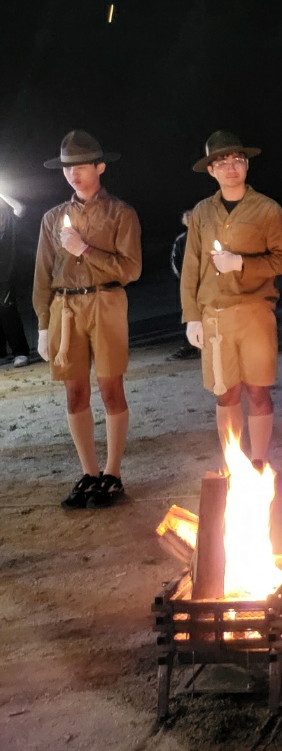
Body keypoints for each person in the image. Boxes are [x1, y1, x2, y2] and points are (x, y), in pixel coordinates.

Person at [32, 130, 142, 506]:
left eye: (81, 166)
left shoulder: (121, 213)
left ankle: (113, 473)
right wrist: (43, 325)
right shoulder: (52, 218)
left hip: (107, 302)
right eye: (67, 168)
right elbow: (42, 274)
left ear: (100, 167)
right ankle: (89, 473)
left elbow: (131, 269)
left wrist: (85, 250)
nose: (73, 174)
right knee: (75, 392)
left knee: (111, 389)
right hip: (65, 308)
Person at [180, 131, 282, 463]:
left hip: (255, 311)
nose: (231, 168)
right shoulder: (202, 213)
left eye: (237, 160)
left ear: (246, 165)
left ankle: (258, 462)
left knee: (257, 390)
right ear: (211, 170)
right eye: (222, 162)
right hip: (215, 315)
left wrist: (242, 263)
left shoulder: (267, 209)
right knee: (225, 392)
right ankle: (234, 464)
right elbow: (191, 267)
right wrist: (192, 317)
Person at [0, 191, 31, 366]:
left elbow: (20, 208)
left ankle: (20, 352)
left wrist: (1, 191)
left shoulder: (11, 225)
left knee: (7, 311)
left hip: (7, 275)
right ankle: (1, 354)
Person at [168, 209, 196, 360]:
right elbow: (176, 262)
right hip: (190, 283)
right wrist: (184, 280)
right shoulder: (182, 240)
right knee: (190, 313)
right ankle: (190, 345)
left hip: (204, 283)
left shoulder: (206, 237)